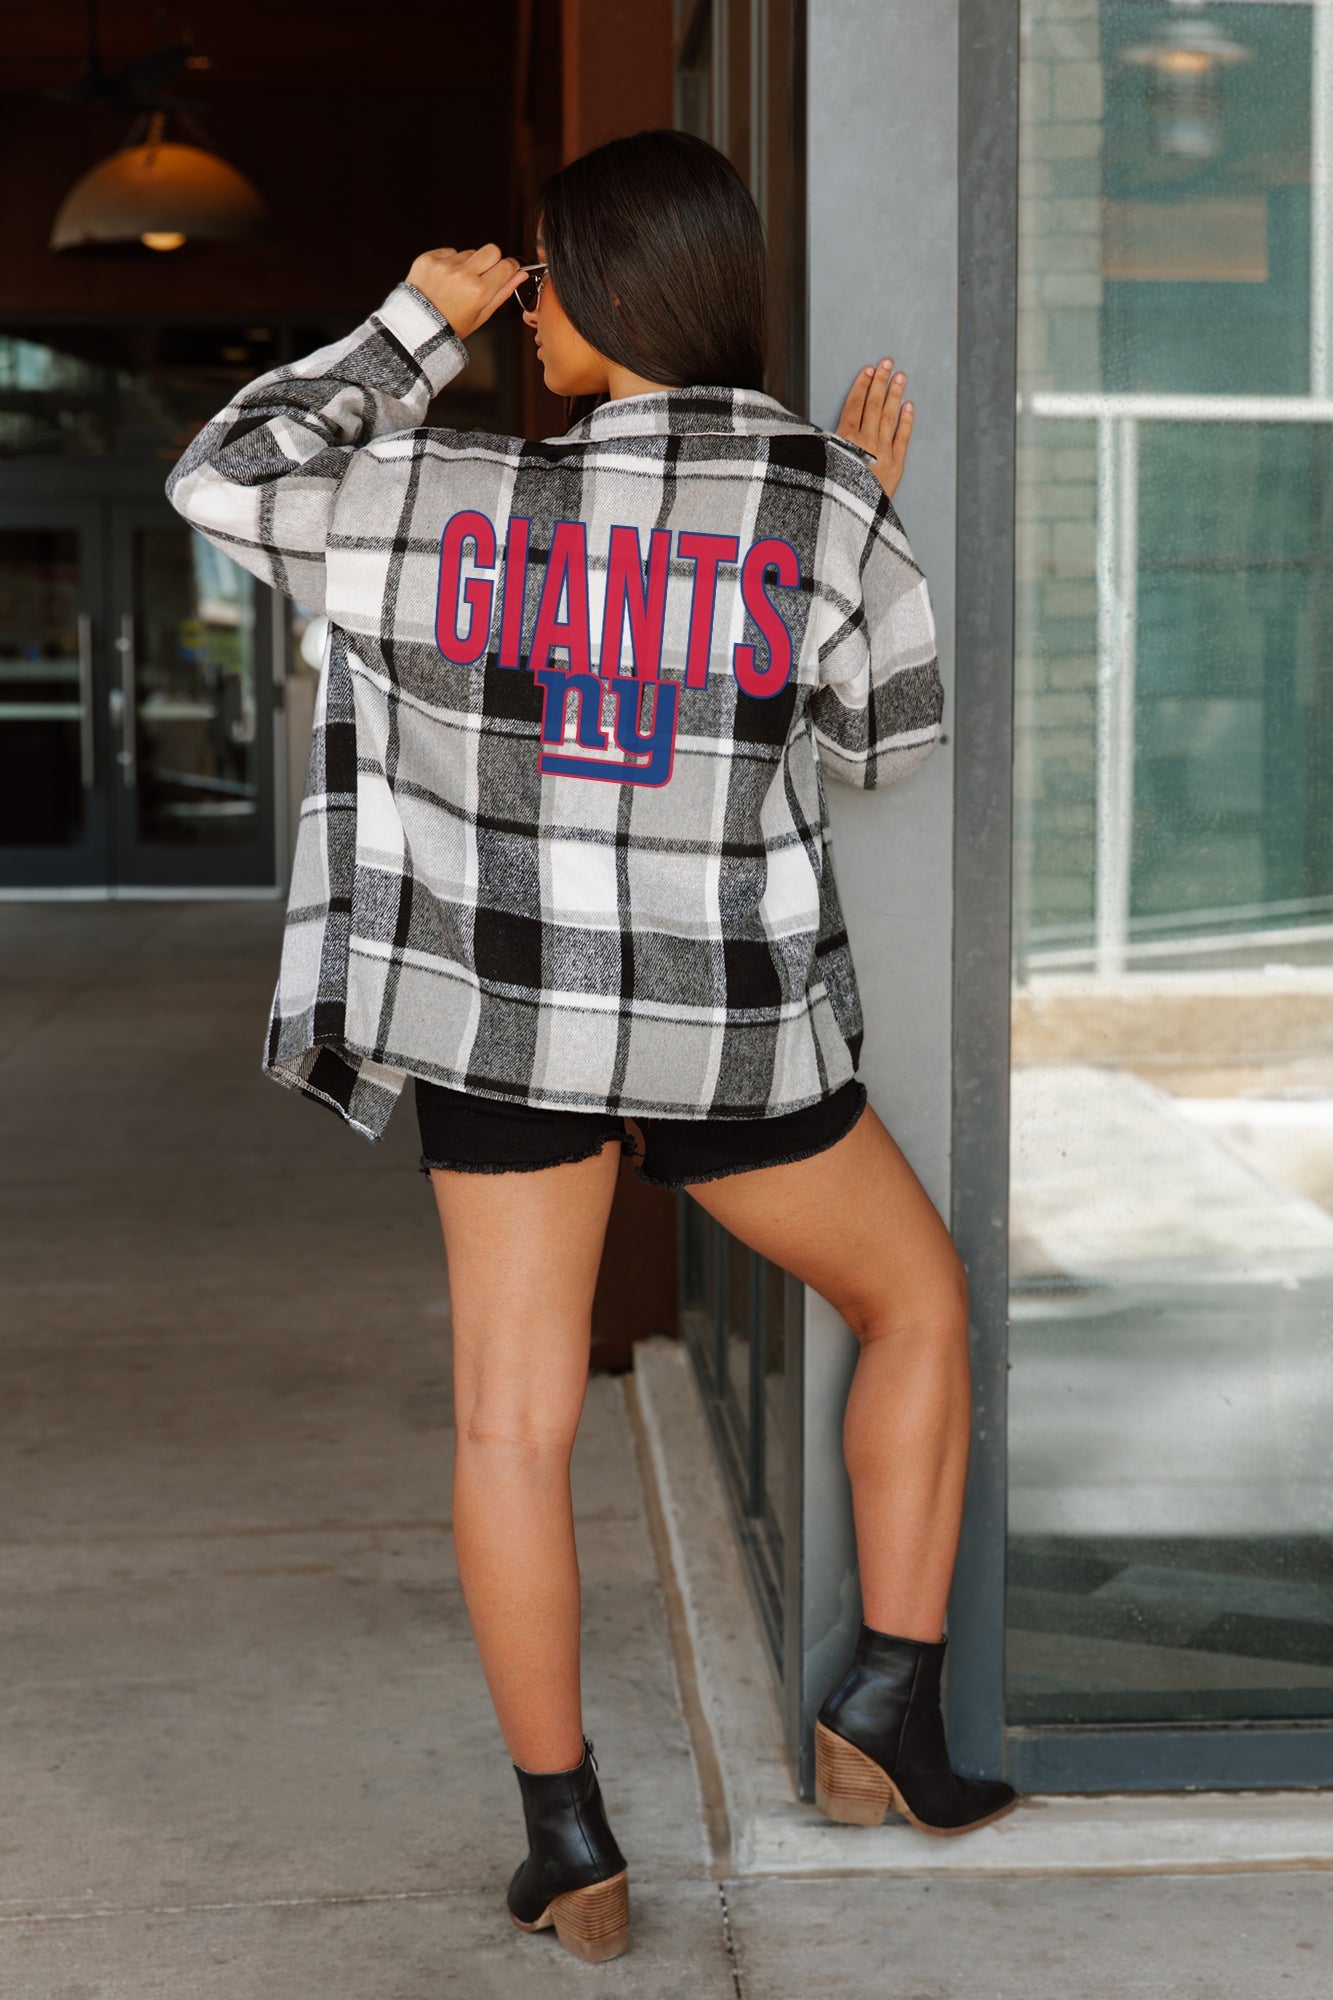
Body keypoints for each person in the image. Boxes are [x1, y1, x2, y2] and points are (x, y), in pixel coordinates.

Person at [167, 126, 1017, 1968]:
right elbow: (878, 750)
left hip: (501, 1025)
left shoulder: (431, 487)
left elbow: (219, 478)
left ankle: (569, 1846)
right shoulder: (816, 496)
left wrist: (414, 324)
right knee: (919, 1307)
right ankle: (885, 1710)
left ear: (619, 282)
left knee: (511, 1419)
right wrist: (843, 520)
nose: (527, 304)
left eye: (545, 273)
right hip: (727, 1037)